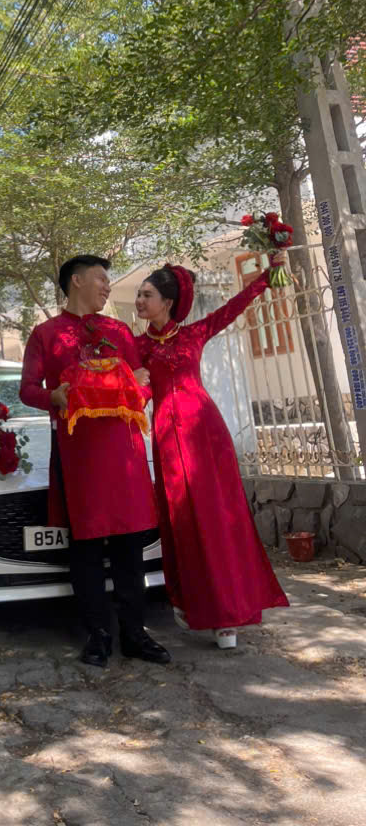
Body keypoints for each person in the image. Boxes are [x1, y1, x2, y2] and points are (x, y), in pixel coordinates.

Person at [21, 254, 170, 668]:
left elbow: (143, 384)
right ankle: (98, 634)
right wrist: (54, 396)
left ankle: (135, 634)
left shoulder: (118, 331)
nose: (108, 287)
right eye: (102, 279)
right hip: (79, 455)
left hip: (123, 452)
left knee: (128, 546)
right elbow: (28, 389)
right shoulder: (46, 335)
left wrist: (128, 391)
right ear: (77, 280)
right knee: (85, 548)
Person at [134, 258, 290, 648]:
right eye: (138, 294)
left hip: (205, 431)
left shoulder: (194, 334)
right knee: (183, 518)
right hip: (168, 438)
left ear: (167, 301)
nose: (139, 300)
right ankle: (193, 602)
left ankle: (228, 615)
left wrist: (266, 278)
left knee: (218, 516)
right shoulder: (135, 347)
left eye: (146, 294)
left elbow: (233, 307)